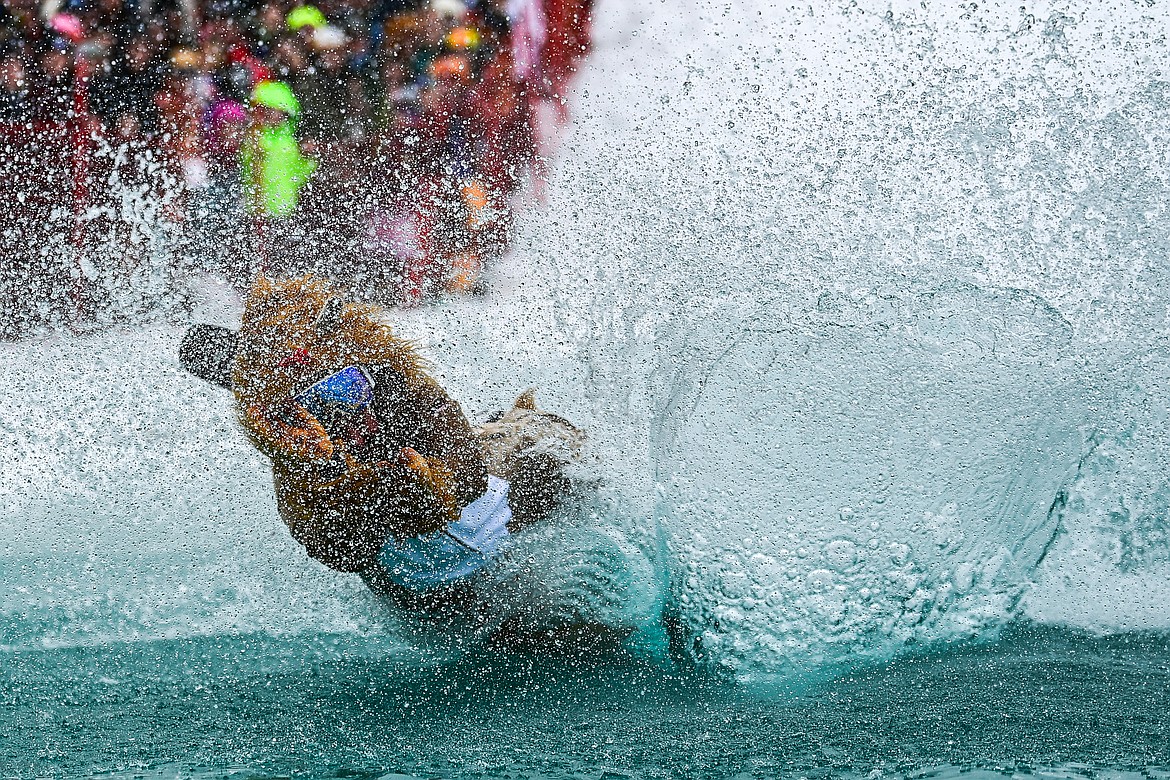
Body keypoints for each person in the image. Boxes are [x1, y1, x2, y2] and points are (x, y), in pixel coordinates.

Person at [179, 274, 585, 611]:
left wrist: (421, 486)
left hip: (492, 514)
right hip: (423, 585)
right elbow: (336, 553)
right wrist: (340, 480)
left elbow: (470, 474)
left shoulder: (403, 390)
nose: (339, 415)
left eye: (345, 387)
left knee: (536, 445)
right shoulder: (302, 460)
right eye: (310, 406)